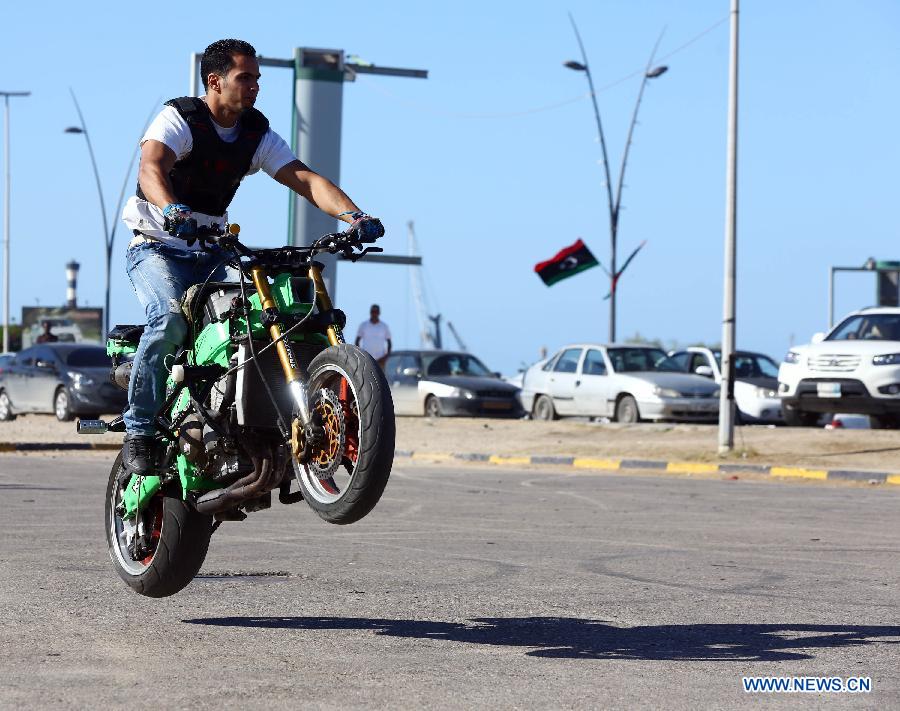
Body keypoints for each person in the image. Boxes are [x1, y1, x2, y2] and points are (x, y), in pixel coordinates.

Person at [119, 39, 384, 476]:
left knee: (262, 319)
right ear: (215, 81)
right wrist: (171, 210)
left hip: (212, 249)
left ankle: (248, 422)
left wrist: (353, 216)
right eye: (245, 78)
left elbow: (304, 178)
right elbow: (151, 167)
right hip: (157, 244)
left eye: (258, 79)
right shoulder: (182, 118)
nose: (254, 86)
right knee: (168, 319)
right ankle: (141, 429)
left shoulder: (254, 133)